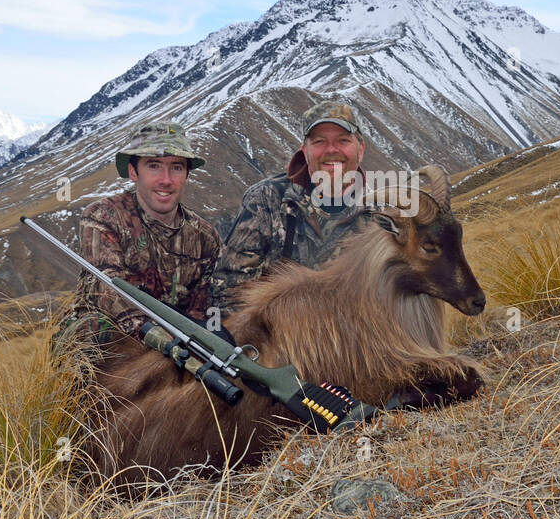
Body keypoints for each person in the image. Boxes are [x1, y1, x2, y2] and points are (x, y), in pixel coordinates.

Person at [210, 101, 374, 315]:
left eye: (343, 140)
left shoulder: (383, 213)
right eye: (319, 141)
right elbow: (228, 293)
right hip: (278, 338)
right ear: (305, 151)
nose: (331, 150)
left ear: (360, 149)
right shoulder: (266, 200)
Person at [64, 122, 220, 347]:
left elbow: (203, 310)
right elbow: (105, 287)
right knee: (94, 327)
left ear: (187, 175)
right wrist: (157, 337)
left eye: (176, 167)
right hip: (114, 341)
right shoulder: (104, 216)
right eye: (154, 166)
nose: (166, 180)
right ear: (133, 172)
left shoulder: (205, 237)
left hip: (180, 346)